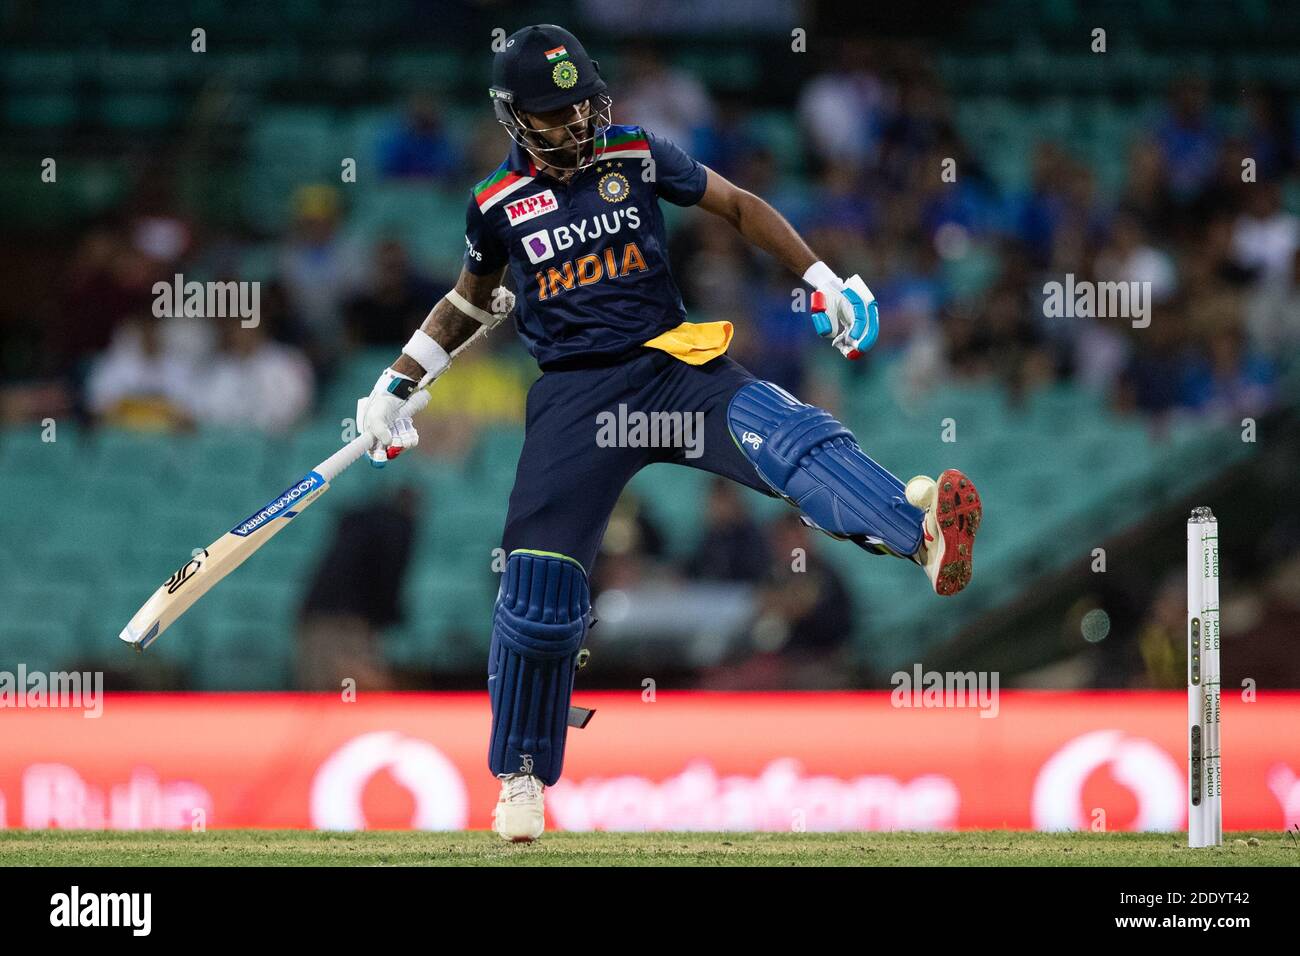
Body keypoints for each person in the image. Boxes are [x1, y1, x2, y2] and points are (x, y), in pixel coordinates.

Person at [354, 25, 984, 842]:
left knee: (791, 436)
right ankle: (519, 775)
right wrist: (399, 380)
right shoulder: (495, 204)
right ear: (515, 117)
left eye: (582, 103)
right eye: (554, 114)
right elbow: (472, 301)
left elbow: (740, 206)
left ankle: (923, 536)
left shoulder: (636, 153)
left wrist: (824, 279)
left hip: (667, 364)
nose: (576, 123)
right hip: (576, 399)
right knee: (540, 595)